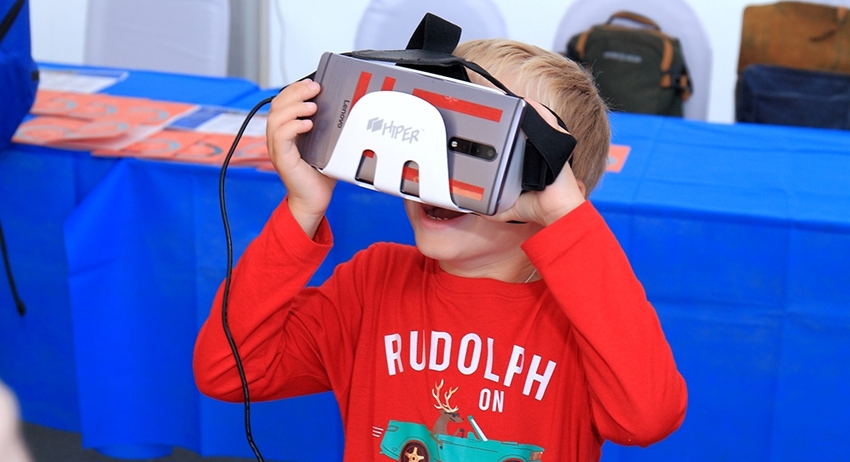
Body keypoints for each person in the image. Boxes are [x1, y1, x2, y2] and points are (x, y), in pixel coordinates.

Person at [193, 38, 687, 461]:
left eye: (477, 152)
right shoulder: (373, 284)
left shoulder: (583, 318)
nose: (440, 179)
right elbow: (228, 371)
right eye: (431, 138)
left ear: (553, 189)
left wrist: (568, 220)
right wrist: (303, 208)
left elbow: (647, 419)